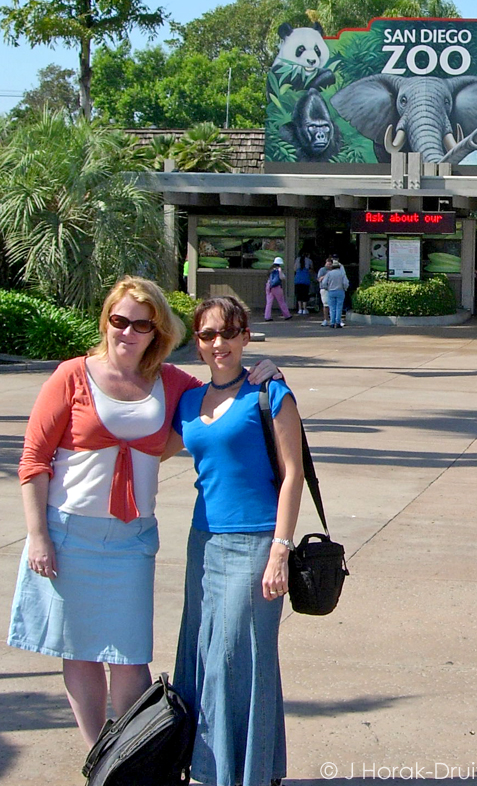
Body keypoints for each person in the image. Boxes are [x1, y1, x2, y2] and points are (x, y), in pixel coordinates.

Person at [7, 276, 279, 751]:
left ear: (157, 332)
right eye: (120, 321)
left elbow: (223, 394)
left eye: (141, 324)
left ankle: (131, 758)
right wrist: (38, 536)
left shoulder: (170, 383)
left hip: (132, 539)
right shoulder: (72, 376)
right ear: (105, 321)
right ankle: (100, 762)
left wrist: (267, 373)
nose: (128, 332)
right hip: (69, 533)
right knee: (81, 653)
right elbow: (33, 460)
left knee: (130, 656)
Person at [166, 295, 304, 786]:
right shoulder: (188, 400)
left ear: (246, 336)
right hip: (203, 544)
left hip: (255, 544)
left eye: (228, 333)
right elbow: (150, 446)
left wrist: (279, 551)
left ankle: (243, 774)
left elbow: (293, 476)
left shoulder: (270, 394)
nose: (218, 343)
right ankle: (218, 768)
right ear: (197, 344)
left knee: (237, 658)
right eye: (207, 335)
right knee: (203, 657)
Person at [320, 260, 349, 328]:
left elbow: (324, 283)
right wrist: (345, 288)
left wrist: (327, 288)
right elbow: (346, 283)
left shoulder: (329, 273)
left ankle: (332, 323)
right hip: (340, 291)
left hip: (331, 291)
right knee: (339, 307)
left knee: (332, 308)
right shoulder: (342, 274)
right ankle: (338, 322)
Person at [264, 257, 292, 322]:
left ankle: (267, 316)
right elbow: (282, 277)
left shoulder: (270, 270)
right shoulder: (278, 269)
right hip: (276, 287)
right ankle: (287, 315)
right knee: (281, 301)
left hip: (269, 286)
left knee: (269, 302)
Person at [317, 256, 333, 326]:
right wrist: (326, 275)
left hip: (332, 289)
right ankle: (326, 319)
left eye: (330, 264)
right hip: (324, 289)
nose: (329, 266)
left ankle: (334, 319)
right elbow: (319, 279)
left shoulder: (334, 270)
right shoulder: (322, 270)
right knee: (326, 305)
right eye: (327, 264)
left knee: (333, 305)